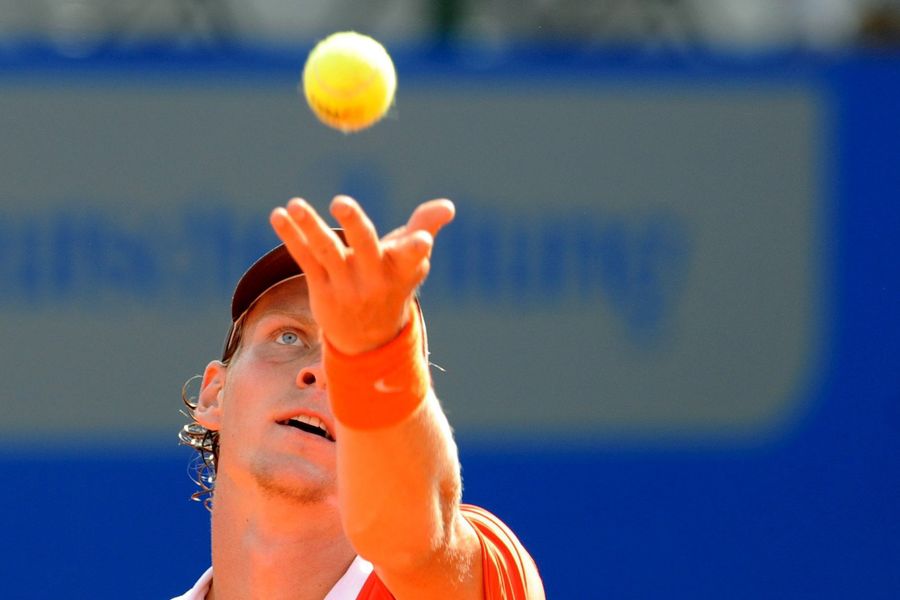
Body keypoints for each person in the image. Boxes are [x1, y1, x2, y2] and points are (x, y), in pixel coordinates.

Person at [173, 195, 545, 599]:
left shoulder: (482, 569)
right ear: (215, 393)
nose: (321, 371)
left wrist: (382, 356)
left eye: (352, 357)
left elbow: (423, 540)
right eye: (288, 337)